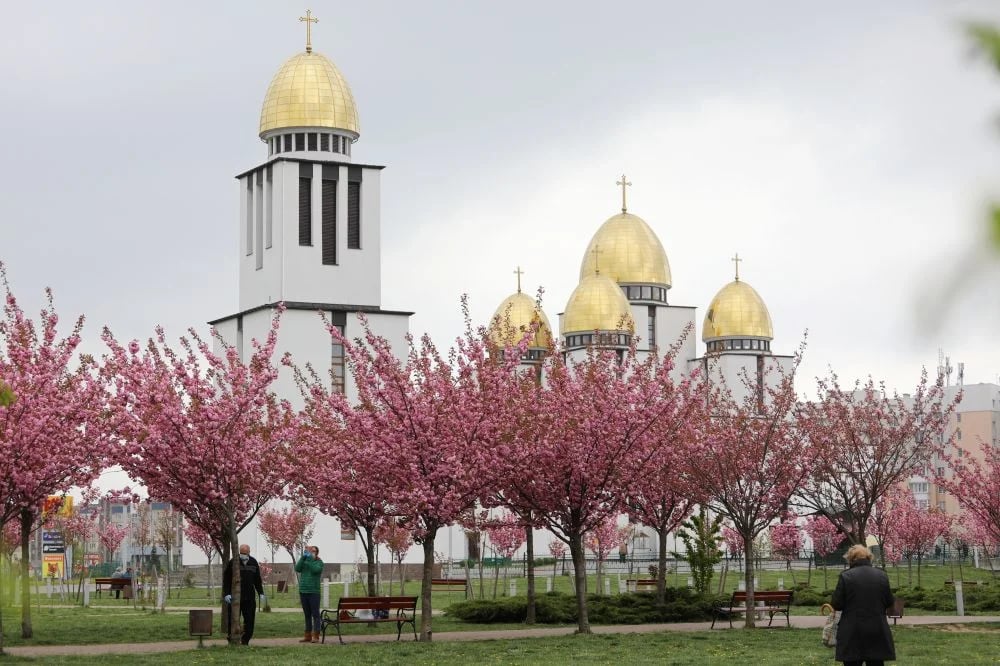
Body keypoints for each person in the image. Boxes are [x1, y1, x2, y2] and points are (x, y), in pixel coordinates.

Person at [831, 544, 896, 666]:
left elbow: (837, 604)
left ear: (851, 559)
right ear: (869, 557)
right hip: (877, 630)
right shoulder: (882, 575)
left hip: (852, 632)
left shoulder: (846, 576)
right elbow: (889, 602)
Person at [223, 544, 266, 646]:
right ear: (239, 552)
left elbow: (257, 580)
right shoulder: (233, 562)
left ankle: (245, 640)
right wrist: (227, 593)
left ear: (249, 553)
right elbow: (226, 580)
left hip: (249, 597)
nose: (243, 555)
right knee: (232, 619)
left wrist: (261, 593)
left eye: (245, 553)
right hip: (235, 597)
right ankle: (232, 639)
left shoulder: (253, 562)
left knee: (249, 620)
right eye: (241, 553)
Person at [295, 544, 324, 643]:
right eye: (309, 551)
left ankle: (316, 636)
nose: (311, 553)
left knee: (315, 614)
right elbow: (297, 568)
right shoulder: (305, 561)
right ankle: (307, 636)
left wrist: (310, 559)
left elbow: (315, 570)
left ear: (317, 553)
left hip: (314, 592)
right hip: (303, 591)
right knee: (307, 615)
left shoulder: (319, 562)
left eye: (313, 551)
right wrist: (303, 557)